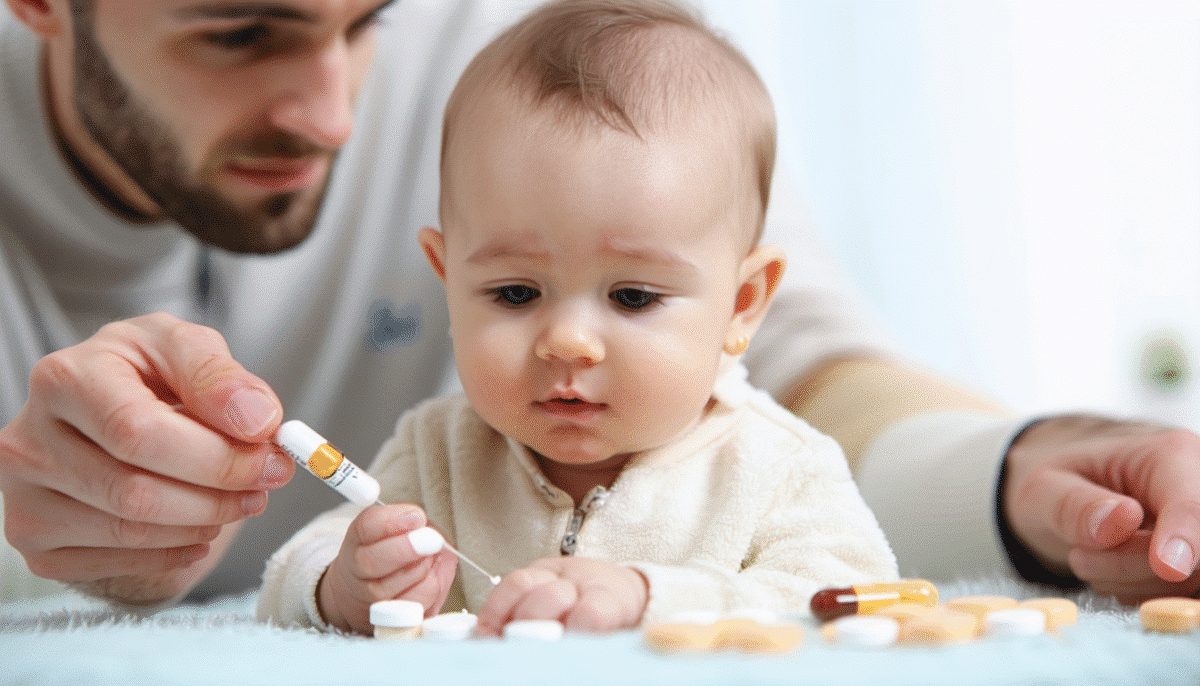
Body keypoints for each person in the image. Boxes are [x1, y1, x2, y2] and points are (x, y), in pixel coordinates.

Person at [0, 0, 1195, 608]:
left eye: (371, 21)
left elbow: (813, 380)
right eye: (240, 28)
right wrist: (335, 578)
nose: (333, 116)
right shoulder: (436, 449)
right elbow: (327, 557)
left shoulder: (576, 52)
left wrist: (1021, 467)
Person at [256, 0, 899, 635]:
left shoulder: (775, 463)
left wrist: (648, 597)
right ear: (448, 279)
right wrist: (340, 585)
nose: (566, 343)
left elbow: (849, 595)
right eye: (514, 294)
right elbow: (290, 572)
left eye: (633, 298)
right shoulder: (440, 453)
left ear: (742, 303)